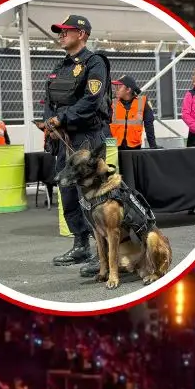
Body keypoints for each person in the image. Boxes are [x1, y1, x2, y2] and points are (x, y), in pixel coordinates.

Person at [44, 14, 111, 272]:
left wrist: (62, 118)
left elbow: (91, 100)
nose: (61, 35)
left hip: (86, 138)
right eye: (59, 31)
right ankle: (81, 244)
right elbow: (48, 100)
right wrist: (50, 121)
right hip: (63, 138)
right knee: (68, 191)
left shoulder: (95, 63)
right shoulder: (60, 67)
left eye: (66, 31)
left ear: (82, 34)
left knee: (91, 193)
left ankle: (102, 249)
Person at [110, 76, 157, 150]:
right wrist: (109, 147)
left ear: (128, 89)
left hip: (134, 147)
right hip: (114, 147)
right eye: (115, 87)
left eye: (119, 87)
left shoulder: (142, 102)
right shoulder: (112, 103)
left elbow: (149, 126)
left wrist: (153, 146)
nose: (116, 90)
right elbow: (105, 125)